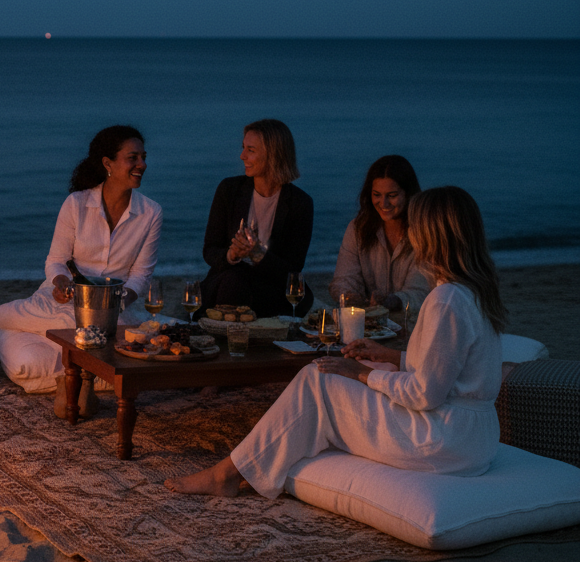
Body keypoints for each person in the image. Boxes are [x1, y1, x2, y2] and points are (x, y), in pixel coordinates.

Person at [165, 186, 507, 499]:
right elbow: (453, 373)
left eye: (416, 226)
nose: (411, 233)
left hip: (440, 442)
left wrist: (360, 372)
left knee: (319, 378)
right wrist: (389, 356)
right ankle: (255, 463)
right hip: (476, 440)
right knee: (343, 374)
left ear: (433, 235)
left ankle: (226, 473)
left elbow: (425, 394)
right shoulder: (474, 292)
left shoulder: (445, 299)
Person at [0, 126, 162, 409]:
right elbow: (56, 259)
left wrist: (118, 300)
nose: (142, 164)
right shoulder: (77, 203)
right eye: (133, 158)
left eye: (143, 157)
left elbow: (141, 275)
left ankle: (80, 371)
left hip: (115, 305)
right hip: (68, 299)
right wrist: (60, 282)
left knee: (102, 331)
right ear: (108, 163)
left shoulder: (151, 212)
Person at [199, 119, 314, 318]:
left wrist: (258, 253)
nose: (242, 156)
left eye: (250, 150)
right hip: (229, 280)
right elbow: (210, 250)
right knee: (234, 280)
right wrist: (232, 254)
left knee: (245, 285)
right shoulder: (229, 190)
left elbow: (293, 269)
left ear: (274, 154)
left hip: (270, 287)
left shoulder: (300, 203)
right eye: (243, 148)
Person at [329, 155, 430, 312]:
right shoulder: (358, 229)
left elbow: (421, 292)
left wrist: (393, 301)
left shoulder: (425, 232)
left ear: (408, 193)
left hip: (411, 324)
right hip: (368, 323)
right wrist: (349, 294)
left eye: (392, 195)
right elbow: (343, 279)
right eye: (377, 195)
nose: (384, 203)